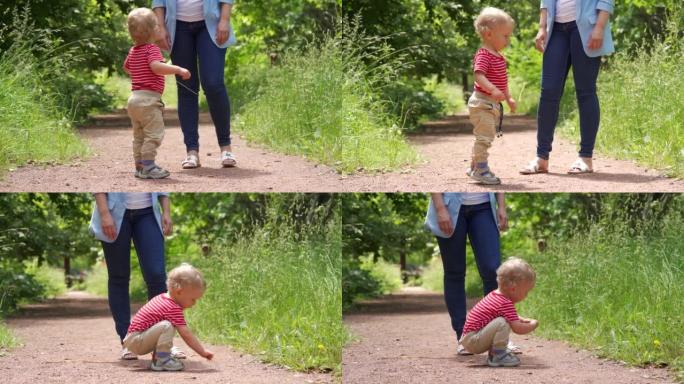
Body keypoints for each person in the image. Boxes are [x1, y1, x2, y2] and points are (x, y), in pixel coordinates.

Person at [520, 0, 615, 175]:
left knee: (585, 92)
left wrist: (600, 27)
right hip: (555, 29)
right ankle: (541, 158)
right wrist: (542, 27)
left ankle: (585, 158)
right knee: (548, 91)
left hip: (587, 27)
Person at [89, 193, 184, 360]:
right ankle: (128, 341)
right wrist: (104, 213)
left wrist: (166, 211)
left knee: (156, 275)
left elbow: (159, 183)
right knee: (119, 277)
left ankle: (163, 342)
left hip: (148, 213)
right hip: (114, 213)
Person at [425, 193, 517, 355]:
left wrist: (501, 206)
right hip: (449, 206)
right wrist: (440, 208)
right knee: (454, 272)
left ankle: (498, 338)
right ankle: (464, 337)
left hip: (484, 207)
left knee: (492, 269)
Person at [152, 0, 238, 169]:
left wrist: (225, 19)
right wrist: (160, 26)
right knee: (186, 88)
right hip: (178, 27)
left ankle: (226, 147)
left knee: (213, 84)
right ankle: (192, 152)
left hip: (211, 25)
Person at [124, 8, 191, 179]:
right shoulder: (152, 49)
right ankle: (149, 166)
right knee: (153, 134)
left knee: (139, 135)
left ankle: (139, 166)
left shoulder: (133, 51)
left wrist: (142, 71)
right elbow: (156, 67)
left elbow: (127, 68)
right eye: (156, 25)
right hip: (148, 100)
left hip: (134, 99)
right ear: (153, 30)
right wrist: (178, 69)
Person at [124, 263, 214, 371]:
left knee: (167, 325)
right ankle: (162, 360)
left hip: (134, 339)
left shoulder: (162, 298)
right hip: (137, 341)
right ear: (179, 292)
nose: (194, 303)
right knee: (167, 326)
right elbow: (186, 334)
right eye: (193, 299)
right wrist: (202, 352)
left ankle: (160, 358)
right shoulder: (172, 307)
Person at [467, 7, 516, 185]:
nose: (508, 40)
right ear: (488, 34)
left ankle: (474, 166)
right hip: (482, 102)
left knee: (486, 135)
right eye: (505, 36)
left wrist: (508, 98)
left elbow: (503, 82)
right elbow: (478, 75)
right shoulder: (484, 54)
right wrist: (492, 89)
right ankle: (481, 169)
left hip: (491, 104)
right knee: (485, 137)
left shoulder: (499, 57)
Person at [459, 257, 538, 367]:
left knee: (504, 320)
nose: (526, 295)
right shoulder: (504, 303)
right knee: (502, 322)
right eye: (526, 292)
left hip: (470, 337)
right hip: (473, 341)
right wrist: (534, 324)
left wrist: (520, 319)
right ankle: (498, 356)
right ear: (513, 289)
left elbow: (510, 316)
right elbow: (518, 328)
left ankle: (494, 354)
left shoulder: (495, 295)